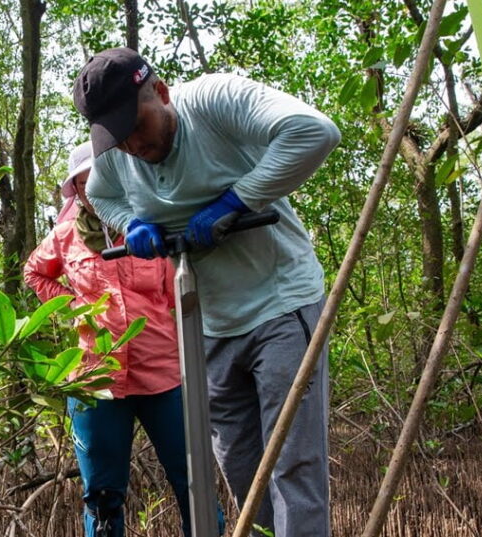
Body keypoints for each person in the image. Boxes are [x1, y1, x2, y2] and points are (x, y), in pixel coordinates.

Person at [73, 48, 341, 536]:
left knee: (290, 467)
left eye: (137, 125)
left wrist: (238, 200)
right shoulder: (116, 154)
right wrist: (129, 222)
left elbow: (315, 132)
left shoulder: (215, 101)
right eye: (117, 135)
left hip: (279, 303)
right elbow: (101, 193)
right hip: (207, 323)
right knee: (241, 467)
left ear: (161, 92)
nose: (132, 144)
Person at [23, 142, 223, 537]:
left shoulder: (153, 223)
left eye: (101, 178)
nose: (94, 189)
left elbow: (179, 295)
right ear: (76, 191)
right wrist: (75, 307)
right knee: (101, 496)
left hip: (163, 373)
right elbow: (35, 272)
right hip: (95, 380)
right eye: (84, 183)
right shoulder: (64, 236)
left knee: (193, 482)